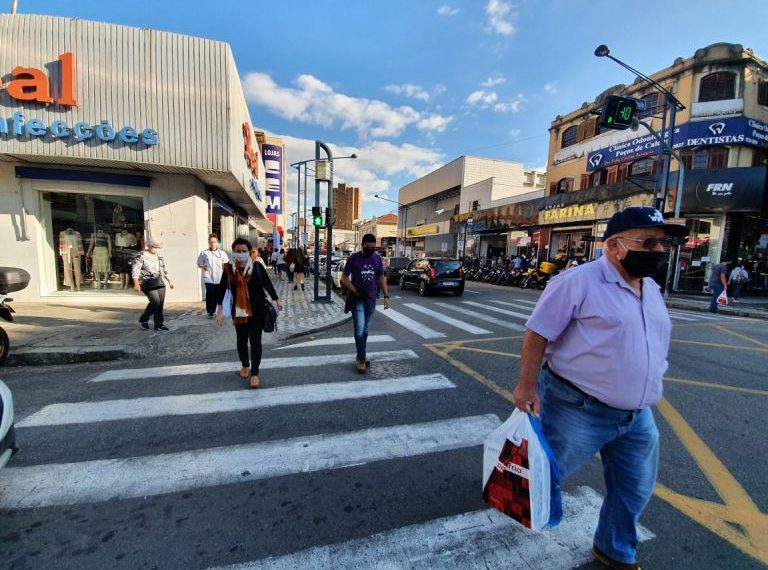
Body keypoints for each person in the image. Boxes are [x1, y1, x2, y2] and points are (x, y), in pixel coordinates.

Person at [513, 207, 687, 570]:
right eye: (649, 242)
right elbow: (538, 331)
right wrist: (527, 386)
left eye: (662, 243)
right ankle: (503, 485)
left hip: (638, 416)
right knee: (539, 476)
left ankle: (614, 550)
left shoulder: (651, 289)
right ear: (614, 246)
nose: (659, 251)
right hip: (578, 408)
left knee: (633, 489)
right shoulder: (578, 282)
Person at [217, 238, 283, 389]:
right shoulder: (228, 269)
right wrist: (220, 310)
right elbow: (221, 289)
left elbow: (267, 284)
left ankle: (255, 373)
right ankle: (245, 364)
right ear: (233, 252)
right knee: (241, 341)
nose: (240, 254)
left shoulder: (257, 267)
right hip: (239, 312)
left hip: (257, 310)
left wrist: (277, 299)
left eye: (243, 251)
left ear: (249, 252)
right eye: (237, 251)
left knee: (255, 341)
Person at [340, 234, 390, 374]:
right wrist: (354, 290)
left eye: (374, 247)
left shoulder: (377, 258)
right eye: (369, 247)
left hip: (371, 298)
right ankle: (361, 359)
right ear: (362, 245)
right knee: (360, 329)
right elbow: (344, 277)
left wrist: (386, 296)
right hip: (358, 299)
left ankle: (362, 353)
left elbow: (381, 277)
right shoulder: (353, 258)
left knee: (366, 329)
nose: (372, 249)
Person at [132, 238, 175, 331]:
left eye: (158, 247)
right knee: (155, 302)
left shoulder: (159, 256)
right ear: (150, 246)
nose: (156, 249)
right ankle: (144, 319)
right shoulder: (141, 255)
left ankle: (159, 324)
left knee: (160, 304)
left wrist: (169, 280)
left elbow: (163, 270)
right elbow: (135, 270)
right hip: (146, 281)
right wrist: (136, 283)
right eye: (155, 246)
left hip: (158, 281)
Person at [197, 233, 229, 318]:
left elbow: (226, 265)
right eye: (211, 242)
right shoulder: (204, 253)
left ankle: (218, 311)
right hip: (208, 278)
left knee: (218, 295)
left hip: (219, 278)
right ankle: (210, 312)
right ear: (208, 242)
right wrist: (204, 267)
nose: (212, 243)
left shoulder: (222, 253)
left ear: (217, 242)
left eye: (214, 242)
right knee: (210, 294)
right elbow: (199, 264)